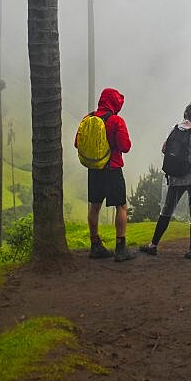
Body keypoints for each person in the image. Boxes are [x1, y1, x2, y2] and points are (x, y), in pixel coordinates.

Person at [140, 102, 191, 260]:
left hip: (175, 178)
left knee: (166, 211)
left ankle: (153, 245)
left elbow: (164, 149)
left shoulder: (175, 129)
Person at [76, 87, 136, 262]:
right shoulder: (116, 121)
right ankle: (120, 248)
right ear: (114, 102)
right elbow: (125, 146)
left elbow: (77, 143)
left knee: (94, 207)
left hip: (94, 170)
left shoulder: (88, 119)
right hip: (113, 169)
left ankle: (95, 245)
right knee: (121, 207)